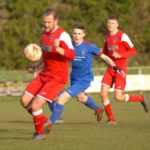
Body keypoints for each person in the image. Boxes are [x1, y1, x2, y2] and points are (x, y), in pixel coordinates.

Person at [44, 23, 124, 135]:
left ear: (84, 35)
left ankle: (49, 124)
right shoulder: (69, 46)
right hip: (74, 77)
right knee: (81, 97)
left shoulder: (90, 46)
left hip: (85, 79)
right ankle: (98, 109)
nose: (76, 36)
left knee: (61, 98)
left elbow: (105, 57)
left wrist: (115, 67)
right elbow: (55, 56)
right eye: (75, 33)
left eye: (79, 34)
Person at [20, 8, 75, 141]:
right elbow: (45, 55)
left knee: (36, 105)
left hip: (57, 77)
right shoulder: (44, 33)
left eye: (49, 22)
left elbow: (72, 55)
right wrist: (36, 65)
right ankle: (43, 121)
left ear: (56, 21)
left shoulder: (63, 35)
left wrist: (59, 48)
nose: (46, 25)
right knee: (24, 101)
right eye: (44, 22)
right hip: (44, 74)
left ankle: (40, 134)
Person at [100, 15, 149, 124]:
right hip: (110, 68)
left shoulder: (123, 36)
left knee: (118, 97)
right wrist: (99, 52)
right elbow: (105, 53)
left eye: (112, 23)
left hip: (120, 69)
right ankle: (111, 119)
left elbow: (133, 50)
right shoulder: (106, 37)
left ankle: (140, 98)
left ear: (117, 25)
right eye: (108, 23)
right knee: (103, 93)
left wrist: (120, 55)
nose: (110, 25)